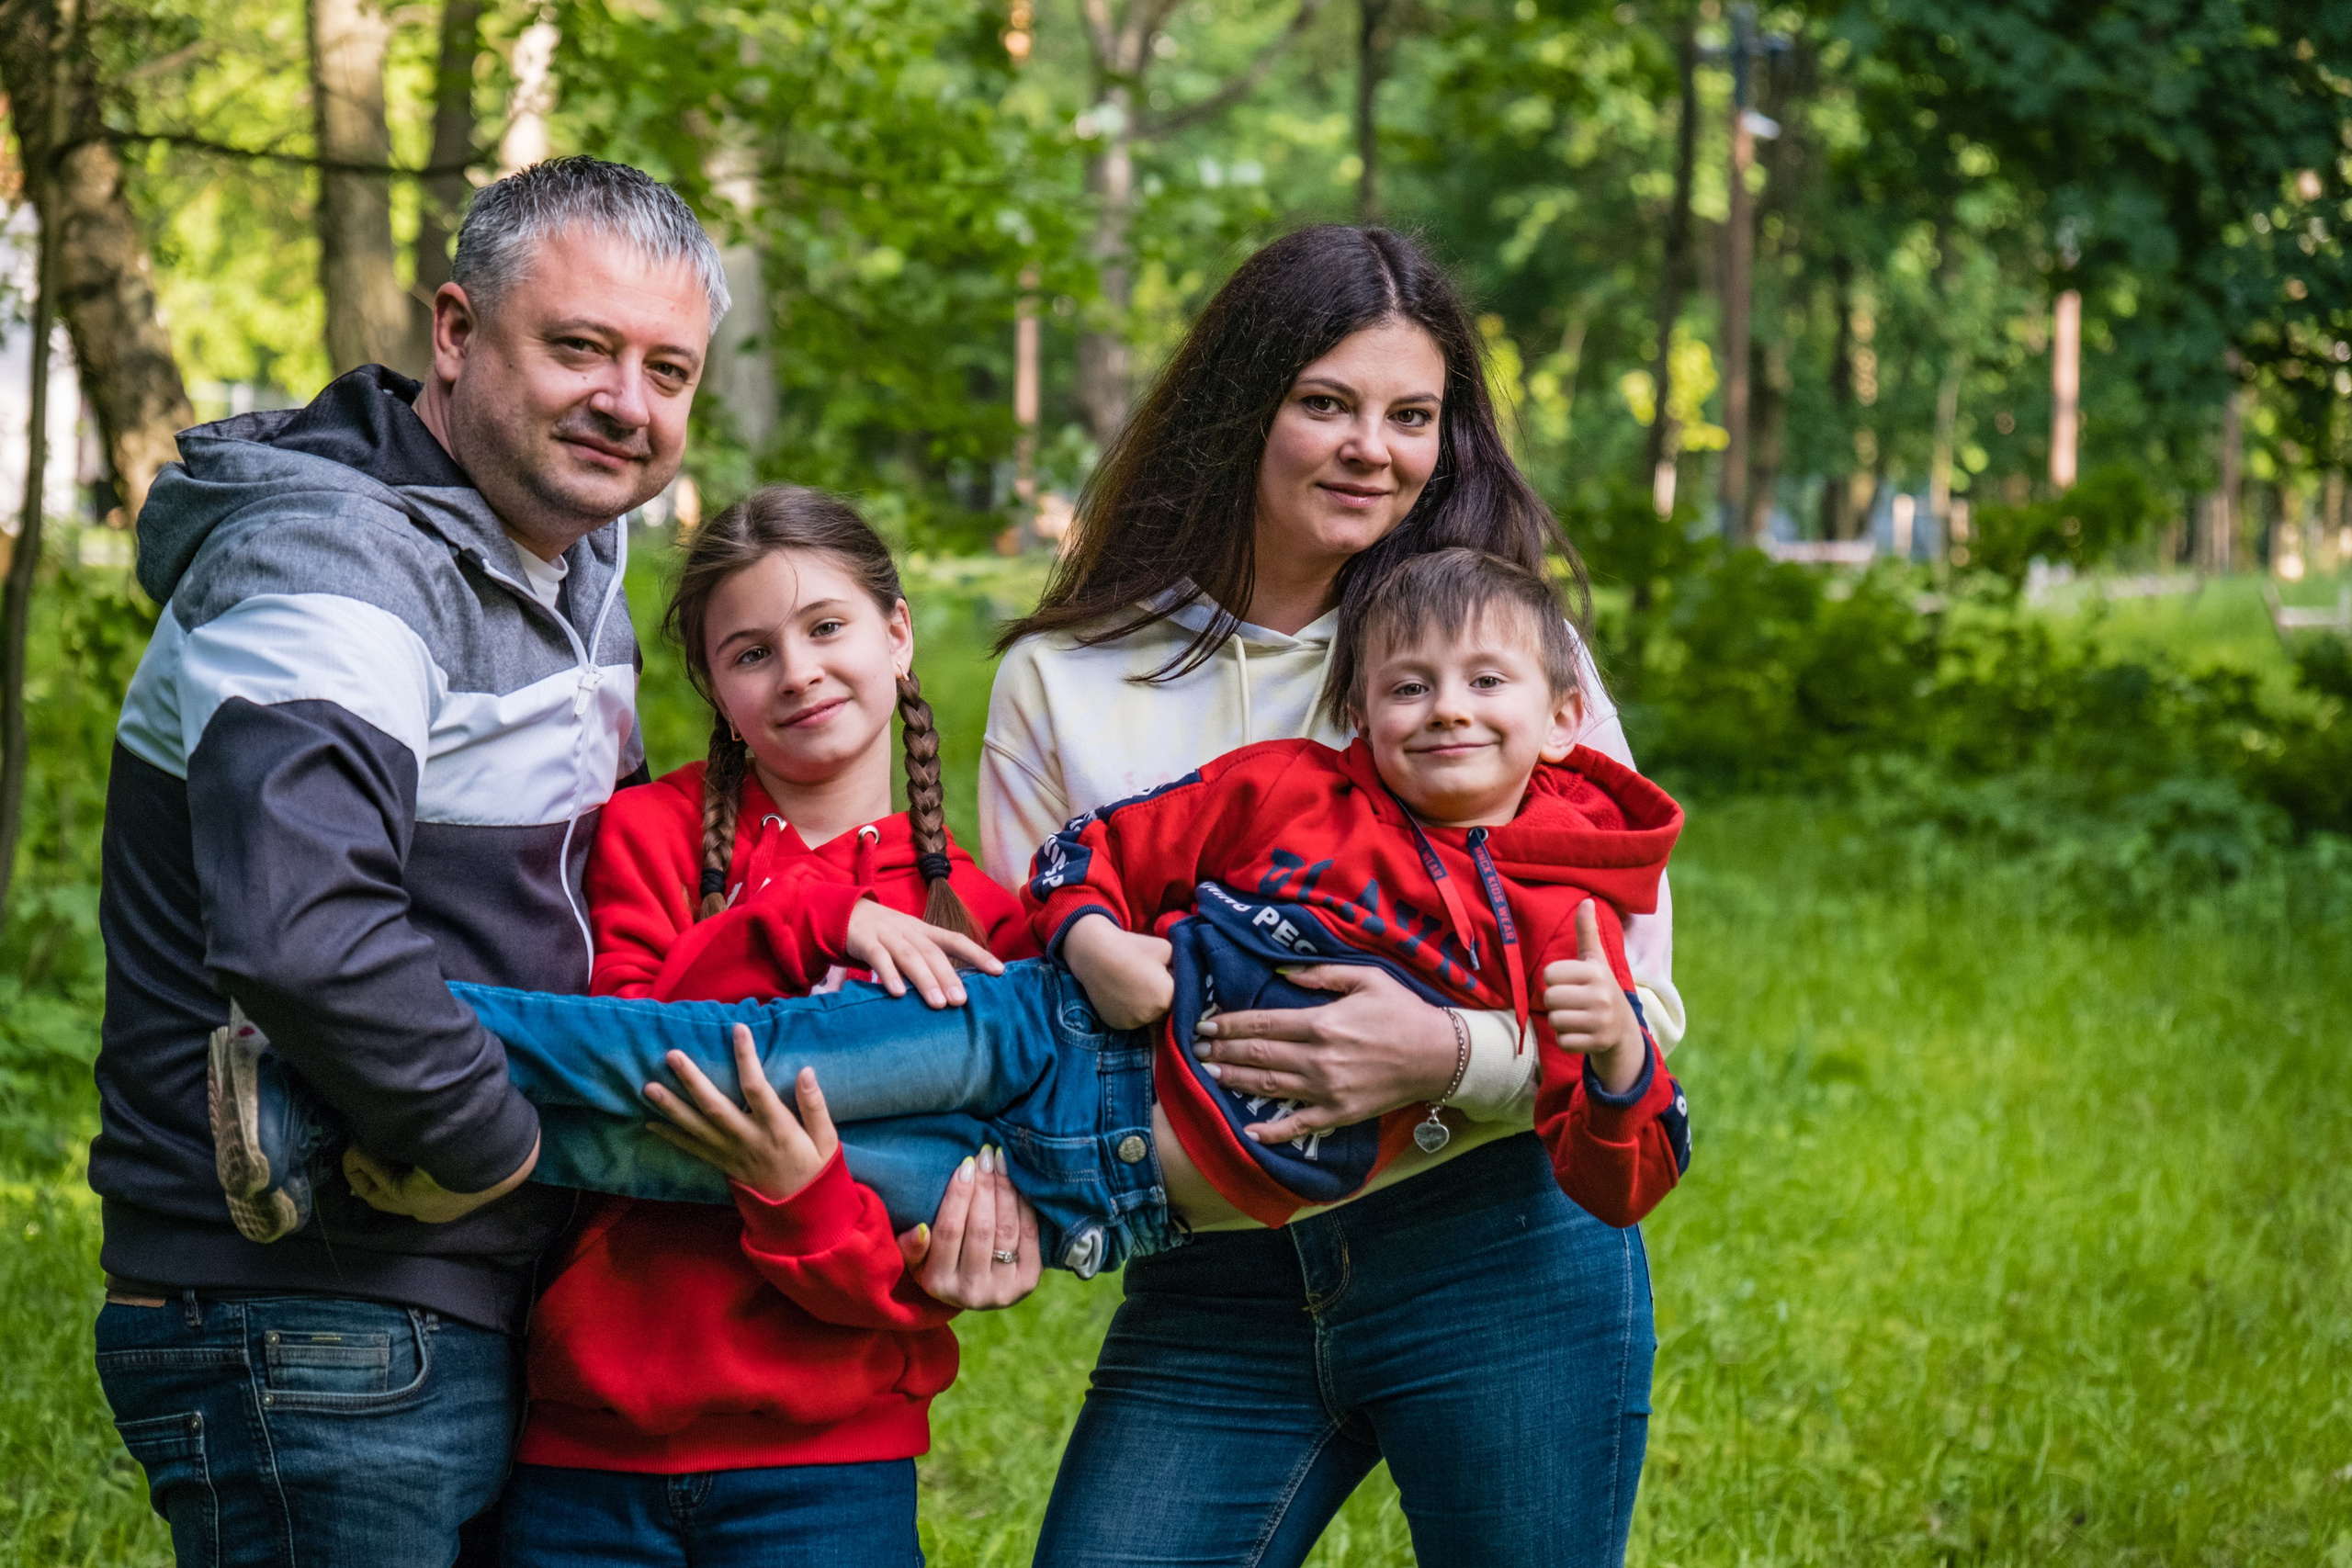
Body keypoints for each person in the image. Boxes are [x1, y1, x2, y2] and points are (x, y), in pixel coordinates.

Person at [86, 157, 1028, 1568]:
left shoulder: (561, 554)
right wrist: (505, 1152)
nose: (626, 401)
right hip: (313, 1293)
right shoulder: (326, 566)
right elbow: (304, 935)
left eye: (667, 367)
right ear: (457, 334)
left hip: (459, 1298)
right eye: (578, 346)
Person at [276, 544, 1686, 1282]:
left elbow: (1621, 1173)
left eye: (1486, 684)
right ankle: (364, 1025)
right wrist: (1090, 935)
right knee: (738, 1063)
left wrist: (1615, 1059)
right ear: (1360, 708)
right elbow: (1094, 850)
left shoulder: (1575, 925)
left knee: (722, 1156)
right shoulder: (1286, 790)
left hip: (1095, 1179)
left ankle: (402, 1129)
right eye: (1408, 685)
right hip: (1032, 1021)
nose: (1445, 709)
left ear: (1567, 715)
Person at [979, 224, 1680, 1565]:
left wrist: (1452, 1049)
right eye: (1327, 403)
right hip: (1214, 1267)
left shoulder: (1492, 664)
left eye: (1412, 415)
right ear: (1242, 404)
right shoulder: (1064, 681)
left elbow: (1639, 997)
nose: (1375, 447)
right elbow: (1034, 998)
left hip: (1499, 1241)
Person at [488, 486, 1040, 1566]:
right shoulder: (649, 832)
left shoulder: (980, 923)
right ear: (714, 689)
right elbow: (623, 1061)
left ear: (897, 633)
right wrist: (812, 913)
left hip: (829, 1458)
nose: (797, 672)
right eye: (750, 653)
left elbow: (927, 1222)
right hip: (585, 1447)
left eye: (826, 628)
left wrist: (814, 1205)